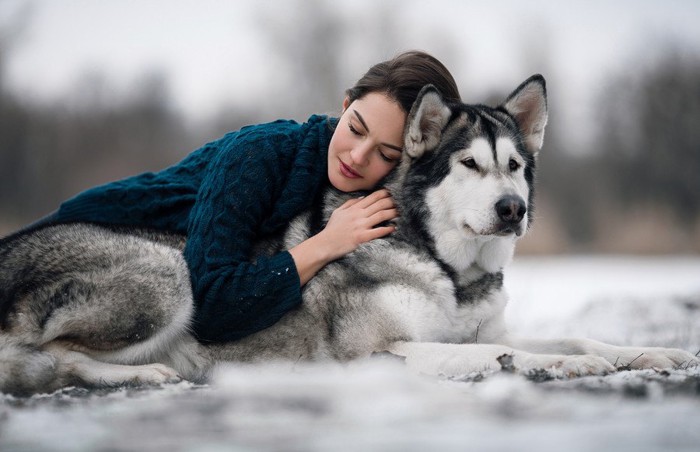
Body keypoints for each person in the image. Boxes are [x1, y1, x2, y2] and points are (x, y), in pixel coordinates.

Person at [24, 50, 461, 343]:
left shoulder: (377, 193)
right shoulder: (259, 154)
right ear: (344, 105)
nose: (358, 156)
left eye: (385, 153)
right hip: (84, 238)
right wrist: (327, 243)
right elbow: (212, 304)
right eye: (356, 128)